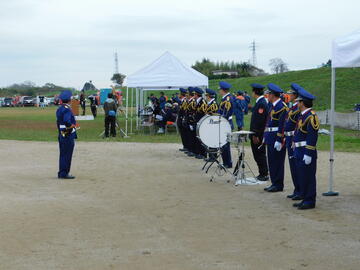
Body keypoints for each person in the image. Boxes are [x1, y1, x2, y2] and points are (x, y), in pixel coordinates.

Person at [292, 88, 319, 210]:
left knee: (308, 176)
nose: (297, 104)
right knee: (302, 175)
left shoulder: (311, 116)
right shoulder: (303, 115)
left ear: (302, 103)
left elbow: (312, 137)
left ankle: (310, 200)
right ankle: (304, 197)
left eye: (298, 102)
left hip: (306, 151)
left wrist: (308, 153)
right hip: (299, 150)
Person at [263, 83, 288, 192]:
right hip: (270, 136)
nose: (267, 96)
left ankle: (278, 184)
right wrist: (265, 135)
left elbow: (282, 125)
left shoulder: (281, 107)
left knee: (277, 162)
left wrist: (279, 139)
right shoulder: (273, 106)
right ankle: (274, 182)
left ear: (273, 95)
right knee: (272, 161)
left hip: (276, 138)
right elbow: (269, 122)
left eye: (269, 94)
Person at [284, 84, 302, 200]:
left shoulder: (297, 109)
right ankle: (297, 189)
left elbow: (296, 125)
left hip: (293, 138)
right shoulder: (292, 108)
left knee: (296, 166)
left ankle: (300, 190)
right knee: (292, 166)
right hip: (289, 137)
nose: (288, 95)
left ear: (295, 95)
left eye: (290, 94)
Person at [249, 83, 270, 182]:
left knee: (259, 154)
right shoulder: (260, 102)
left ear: (255, 92)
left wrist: (255, 134)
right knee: (257, 154)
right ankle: (262, 173)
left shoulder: (261, 103)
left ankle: (264, 174)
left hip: (258, 135)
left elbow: (260, 121)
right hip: (257, 133)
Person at [56, 90, 77, 179]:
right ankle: (65, 173)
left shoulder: (59, 109)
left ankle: (61, 172)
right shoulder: (67, 109)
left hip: (62, 133)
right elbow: (67, 121)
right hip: (68, 134)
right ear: (69, 100)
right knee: (67, 154)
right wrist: (72, 125)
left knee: (63, 154)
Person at [218, 81, 234, 168]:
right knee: (223, 144)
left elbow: (226, 113)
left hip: (226, 123)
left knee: (225, 144)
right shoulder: (225, 98)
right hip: (224, 123)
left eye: (220, 89)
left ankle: (227, 163)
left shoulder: (227, 99)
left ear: (223, 90)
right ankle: (226, 162)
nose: (219, 91)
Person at [193, 87, 207, 159]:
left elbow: (204, 113)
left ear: (197, 94)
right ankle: (198, 152)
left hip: (201, 122)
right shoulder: (197, 101)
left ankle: (203, 153)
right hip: (197, 121)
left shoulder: (202, 102)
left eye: (194, 94)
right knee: (197, 138)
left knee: (201, 138)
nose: (193, 95)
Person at [185, 87, 197, 157]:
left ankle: (193, 150)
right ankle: (191, 149)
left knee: (192, 137)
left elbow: (193, 112)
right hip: (189, 121)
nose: (186, 95)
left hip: (192, 121)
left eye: (187, 93)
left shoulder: (192, 102)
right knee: (190, 137)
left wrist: (191, 122)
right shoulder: (190, 101)